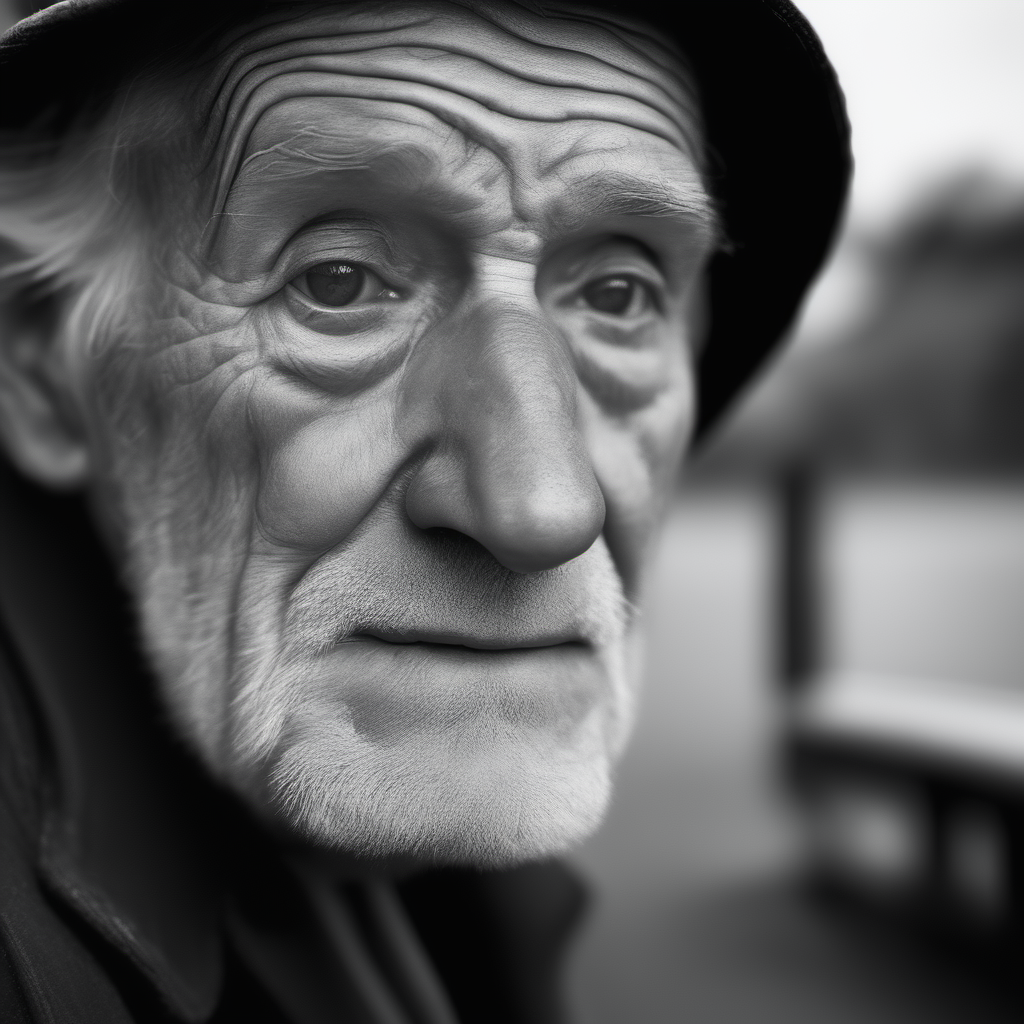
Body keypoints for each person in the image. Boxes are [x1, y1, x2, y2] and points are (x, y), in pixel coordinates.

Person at [0, 1, 850, 1020]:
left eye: (618, 296)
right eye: (338, 281)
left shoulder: (459, 886)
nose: (543, 506)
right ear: (43, 362)